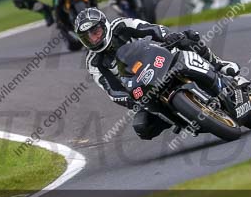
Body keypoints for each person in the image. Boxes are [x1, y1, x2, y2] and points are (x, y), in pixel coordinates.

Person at [74, 8, 239, 140]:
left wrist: (169, 37)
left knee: (188, 38)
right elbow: (110, 89)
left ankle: (219, 64)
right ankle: (181, 118)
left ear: (104, 26)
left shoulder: (122, 25)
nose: (93, 39)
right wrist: (129, 99)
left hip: (159, 59)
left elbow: (151, 29)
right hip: (142, 87)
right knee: (143, 127)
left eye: (95, 32)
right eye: (87, 37)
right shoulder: (93, 62)